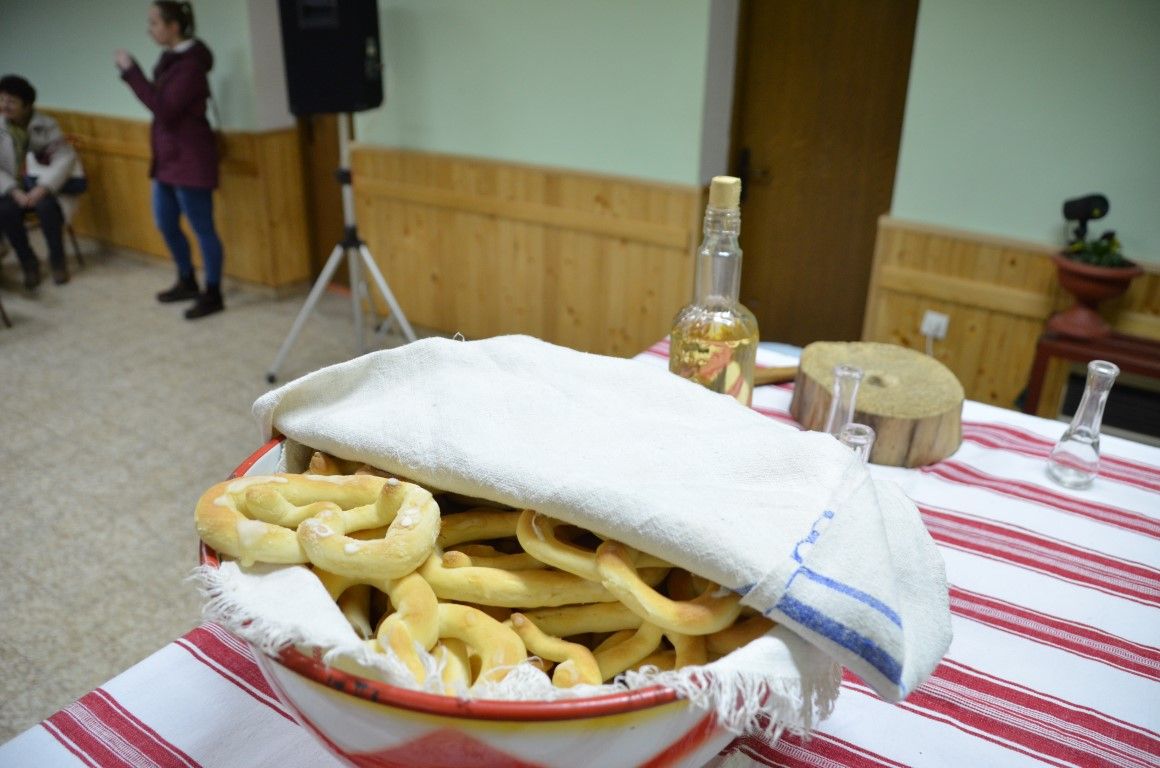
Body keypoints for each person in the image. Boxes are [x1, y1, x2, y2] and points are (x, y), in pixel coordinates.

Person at [116, 1, 224, 319]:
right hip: (167, 159)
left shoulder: (190, 66)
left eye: (154, 23)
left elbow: (164, 109)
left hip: (190, 159)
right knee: (164, 222)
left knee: (202, 228)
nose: (149, 30)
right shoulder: (171, 60)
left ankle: (213, 293)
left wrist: (131, 72)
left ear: (173, 26)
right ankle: (187, 279)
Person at [0, 74, 79, 289]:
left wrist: (43, 188)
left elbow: (64, 158)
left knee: (47, 207)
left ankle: (57, 260)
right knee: (5, 210)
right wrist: (13, 190)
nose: (4, 105)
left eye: (11, 101)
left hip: (43, 183)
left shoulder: (46, 124)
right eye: (2, 99)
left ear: (26, 105)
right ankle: (28, 263)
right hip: (11, 186)